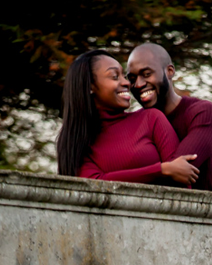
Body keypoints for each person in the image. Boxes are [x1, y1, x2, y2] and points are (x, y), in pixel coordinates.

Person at [56, 49, 199, 186]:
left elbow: (181, 174)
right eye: (114, 76)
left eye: (124, 76)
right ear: (90, 86)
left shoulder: (151, 119)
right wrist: (162, 170)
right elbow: (93, 183)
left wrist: (167, 170)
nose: (126, 83)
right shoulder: (77, 142)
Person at [126, 44, 212, 191]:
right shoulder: (132, 123)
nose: (138, 84)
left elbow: (178, 175)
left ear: (169, 71)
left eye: (146, 74)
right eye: (132, 78)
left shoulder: (201, 112)